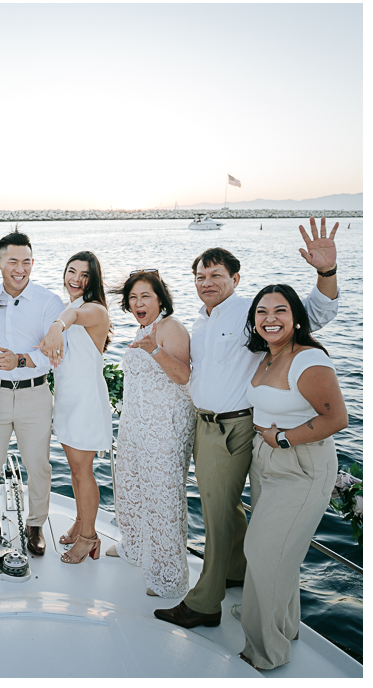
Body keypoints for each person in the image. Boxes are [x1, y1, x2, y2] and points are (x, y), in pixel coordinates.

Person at [154, 219, 339, 630]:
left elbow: (314, 313)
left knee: (216, 515)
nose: (207, 282)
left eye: (216, 275)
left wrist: (325, 272)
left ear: (235, 278)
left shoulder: (248, 312)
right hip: (205, 427)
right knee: (228, 510)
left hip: (232, 428)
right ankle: (236, 571)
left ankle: (205, 603)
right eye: (200, 276)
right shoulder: (202, 322)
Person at [239, 284, 347, 671]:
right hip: (265, 461)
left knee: (265, 552)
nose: (270, 318)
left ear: (296, 317)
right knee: (278, 553)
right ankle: (284, 624)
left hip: (301, 465)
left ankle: (266, 652)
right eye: (262, 311)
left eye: (280, 310)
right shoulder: (266, 357)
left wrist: (283, 438)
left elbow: (337, 418)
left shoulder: (309, 360)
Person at [0, 230, 65, 557]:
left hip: (35, 394)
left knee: (38, 464)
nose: (20, 268)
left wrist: (22, 360)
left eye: (26, 261)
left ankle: (37, 525)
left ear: (33, 263)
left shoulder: (48, 301)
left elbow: (55, 351)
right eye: (12, 260)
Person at [107, 270, 195, 598]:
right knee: (130, 488)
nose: (138, 302)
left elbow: (184, 377)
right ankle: (135, 547)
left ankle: (168, 577)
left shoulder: (170, 327)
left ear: (160, 298)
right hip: (135, 426)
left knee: (162, 499)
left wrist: (154, 350)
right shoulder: (144, 328)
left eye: (145, 296)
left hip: (164, 429)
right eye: (133, 297)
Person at [38, 252, 113, 564]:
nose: (76, 279)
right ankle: (82, 522)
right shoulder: (70, 307)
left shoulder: (93, 309)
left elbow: (71, 321)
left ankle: (89, 538)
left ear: (93, 280)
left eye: (84, 275)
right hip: (68, 399)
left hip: (86, 402)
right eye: (72, 271)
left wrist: (56, 325)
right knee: (76, 469)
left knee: (84, 471)